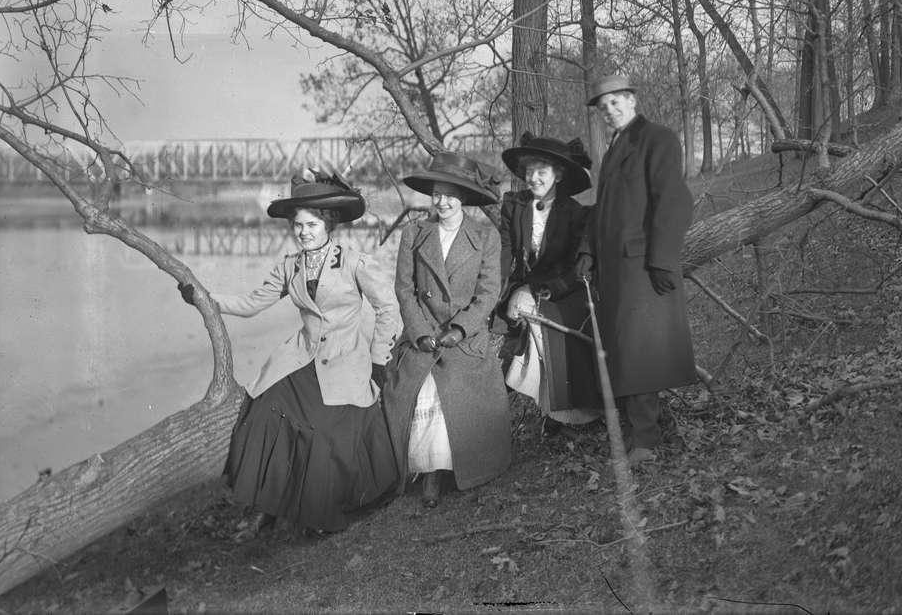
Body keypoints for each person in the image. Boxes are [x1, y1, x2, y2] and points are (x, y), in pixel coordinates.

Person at [177, 170, 401, 537]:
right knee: (265, 411)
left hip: (346, 360)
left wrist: (379, 359)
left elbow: (387, 307)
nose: (303, 232)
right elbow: (251, 304)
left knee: (325, 432)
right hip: (302, 357)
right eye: (298, 225)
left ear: (329, 223)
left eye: (311, 224)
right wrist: (204, 298)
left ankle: (319, 513)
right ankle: (269, 507)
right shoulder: (290, 266)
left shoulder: (353, 261)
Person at [576, 74, 697, 467]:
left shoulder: (657, 138)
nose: (609, 111)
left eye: (615, 102)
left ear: (631, 100)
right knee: (626, 353)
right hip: (614, 270)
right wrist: (587, 253)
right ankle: (641, 434)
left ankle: (646, 443)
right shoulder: (611, 151)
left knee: (641, 354)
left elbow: (673, 200)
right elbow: (603, 211)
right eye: (603, 107)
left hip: (643, 266)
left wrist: (662, 258)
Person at [382, 151, 510, 508]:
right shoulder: (414, 233)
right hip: (423, 333)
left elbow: (488, 294)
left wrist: (460, 329)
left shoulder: (485, 237)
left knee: (457, 386)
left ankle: (464, 464)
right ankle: (429, 472)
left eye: (451, 194)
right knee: (416, 385)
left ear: (464, 198)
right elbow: (404, 289)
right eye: (437, 193)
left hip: (463, 337)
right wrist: (420, 330)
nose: (443, 201)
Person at [495, 132, 602, 436]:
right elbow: (504, 255)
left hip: (565, 289)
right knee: (516, 318)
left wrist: (550, 289)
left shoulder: (575, 213)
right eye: (529, 171)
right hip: (525, 287)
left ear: (558, 175)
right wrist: (499, 292)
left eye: (542, 172)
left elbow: (574, 265)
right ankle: (543, 409)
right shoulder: (514, 207)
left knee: (555, 329)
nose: (534, 178)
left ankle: (569, 415)